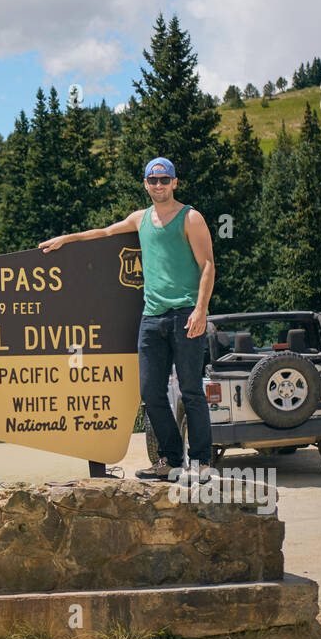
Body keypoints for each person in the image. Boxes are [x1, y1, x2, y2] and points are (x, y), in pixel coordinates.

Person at [39, 157, 216, 482]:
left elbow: (208, 265)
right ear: (146, 184)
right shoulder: (141, 218)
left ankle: (202, 462)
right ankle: (172, 460)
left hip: (185, 315)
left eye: (165, 180)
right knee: (150, 392)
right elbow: (106, 231)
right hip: (152, 317)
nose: (159, 185)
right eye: (153, 180)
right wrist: (68, 239)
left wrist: (201, 309)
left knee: (191, 391)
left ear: (174, 183)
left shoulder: (190, 218)